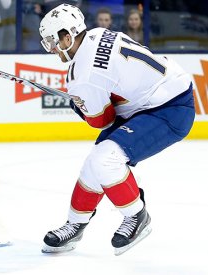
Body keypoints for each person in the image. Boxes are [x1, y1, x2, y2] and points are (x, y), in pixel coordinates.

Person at [38, 4, 195, 255]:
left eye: (52, 41)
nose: (52, 49)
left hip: (169, 108)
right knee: (94, 163)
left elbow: (103, 121)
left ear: (68, 36)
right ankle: (75, 223)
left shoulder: (84, 76)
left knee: (105, 160)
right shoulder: (97, 34)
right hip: (158, 94)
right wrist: (82, 99)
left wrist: (80, 106)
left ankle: (136, 216)